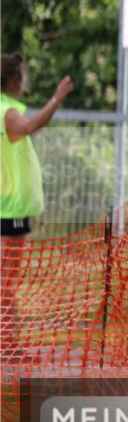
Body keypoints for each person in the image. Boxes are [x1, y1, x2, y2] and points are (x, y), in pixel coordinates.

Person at [1, 53, 74, 356]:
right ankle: (7, 347)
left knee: (6, 281)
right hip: (11, 210)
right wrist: (56, 99)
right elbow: (31, 126)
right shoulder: (7, 112)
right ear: (14, 80)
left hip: (9, 207)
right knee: (6, 282)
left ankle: (9, 345)